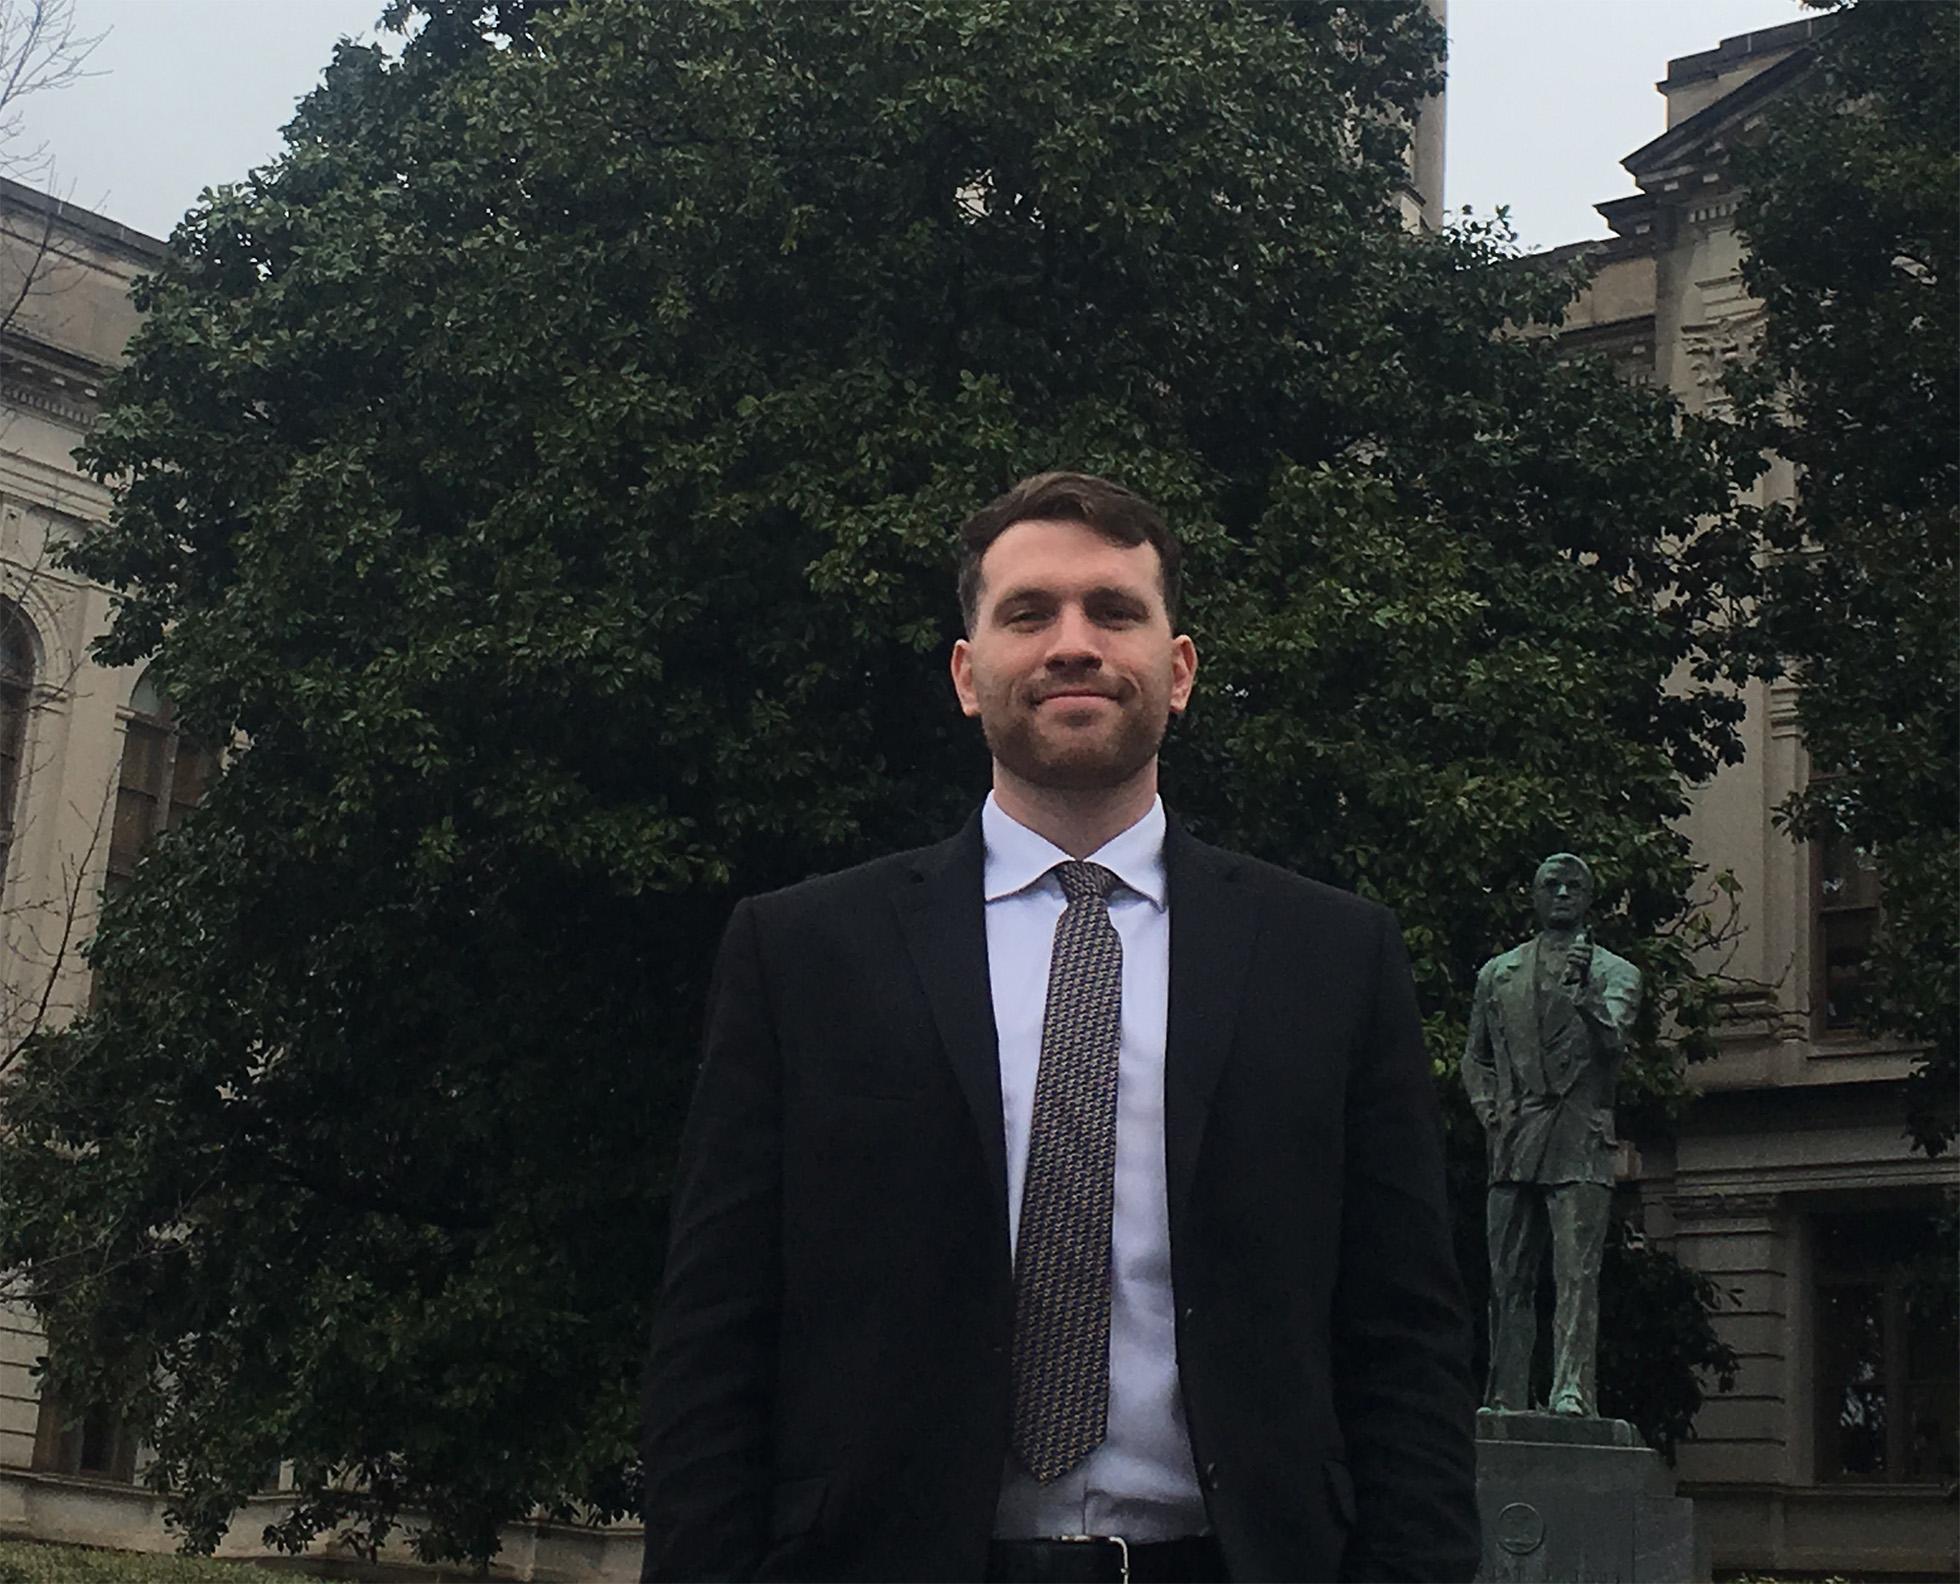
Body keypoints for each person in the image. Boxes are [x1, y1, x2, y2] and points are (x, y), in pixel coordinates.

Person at [642, 472, 1480, 1583]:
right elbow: (714, 1330)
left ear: (1177, 673)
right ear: (965, 672)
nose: (1072, 644)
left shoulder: (1331, 960)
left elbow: (1403, 1337)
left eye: (1115, 611)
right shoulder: (801, 956)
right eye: (1028, 614)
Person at [1460, 854, 1642, 1419]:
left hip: (1580, 1137)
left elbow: (1613, 1046)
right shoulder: (1498, 973)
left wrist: (1584, 994)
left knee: (1576, 1276)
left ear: (1589, 898)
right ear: (1535, 896)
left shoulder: (1616, 972)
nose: (1562, 893)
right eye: (1550, 884)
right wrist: (1490, 1112)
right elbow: (1475, 1057)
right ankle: (1508, 1391)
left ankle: (1571, 1389)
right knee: (1508, 1278)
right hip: (1515, 1137)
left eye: (1574, 886)